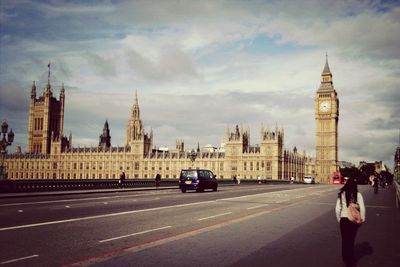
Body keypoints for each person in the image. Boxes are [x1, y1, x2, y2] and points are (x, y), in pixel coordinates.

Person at [335, 177, 366, 267]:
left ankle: (345, 258)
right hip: (353, 220)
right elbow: (363, 208)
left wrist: (339, 219)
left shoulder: (341, 194)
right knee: (351, 240)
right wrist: (362, 219)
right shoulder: (358, 195)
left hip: (344, 220)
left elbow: (337, 209)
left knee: (344, 240)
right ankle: (351, 259)